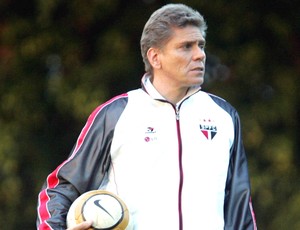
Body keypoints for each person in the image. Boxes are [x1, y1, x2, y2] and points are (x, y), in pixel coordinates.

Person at [37, 3, 257, 230]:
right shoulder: (116, 114)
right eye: (186, 47)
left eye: (201, 45)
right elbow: (62, 188)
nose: (200, 55)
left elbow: (239, 207)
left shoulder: (224, 116)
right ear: (155, 57)